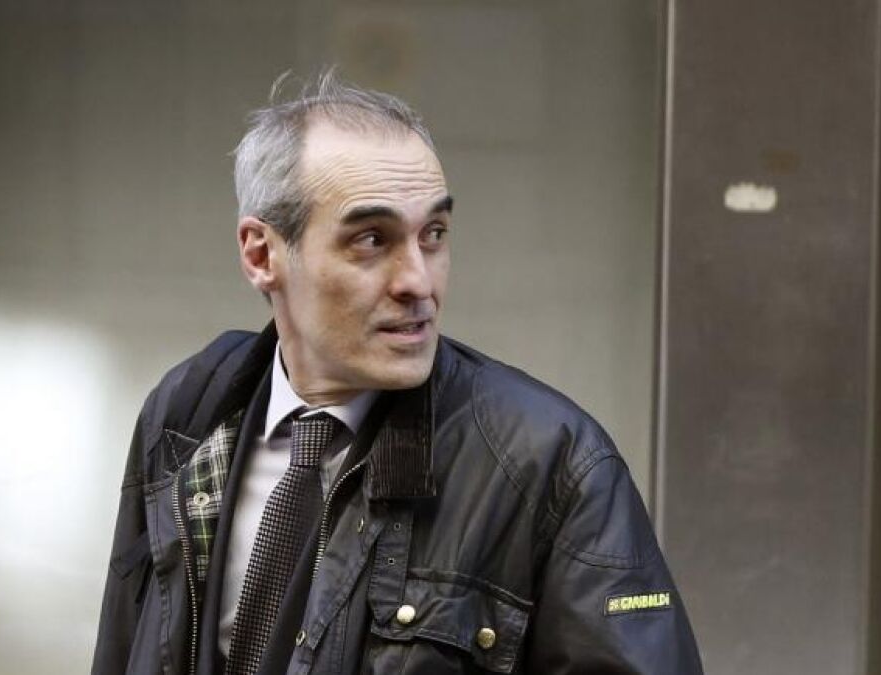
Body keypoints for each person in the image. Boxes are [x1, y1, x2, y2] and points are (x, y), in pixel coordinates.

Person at [92, 72, 702, 675]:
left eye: (433, 234)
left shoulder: (546, 461)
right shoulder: (188, 412)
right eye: (371, 240)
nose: (418, 281)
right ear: (261, 254)